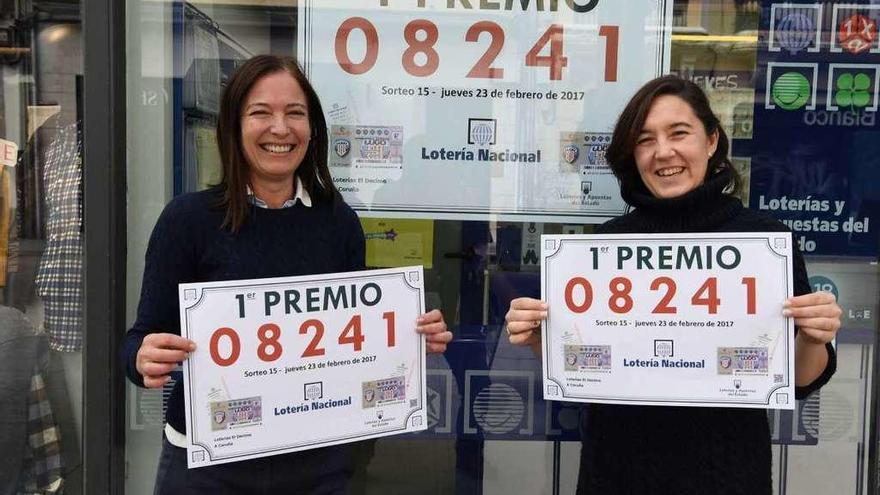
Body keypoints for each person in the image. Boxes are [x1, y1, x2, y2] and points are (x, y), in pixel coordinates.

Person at [122, 54, 452, 494]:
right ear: (234, 126)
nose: (280, 128)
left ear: (312, 128)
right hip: (209, 467)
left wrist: (409, 337)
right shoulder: (188, 221)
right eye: (261, 113)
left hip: (315, 465)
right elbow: (139, 340)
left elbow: (354, 338)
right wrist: (142, 357)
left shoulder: (338, 223)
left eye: (294, 113)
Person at [505, 75, 839, 493]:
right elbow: (580, 369)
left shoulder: (764, 244)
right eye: (645, 140)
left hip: (728, 474)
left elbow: (804, 379)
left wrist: (813, 337)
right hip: (616, 473)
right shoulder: (605, 246)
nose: (663, 152)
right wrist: (541, 338)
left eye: (679, 133)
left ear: (712, 141)